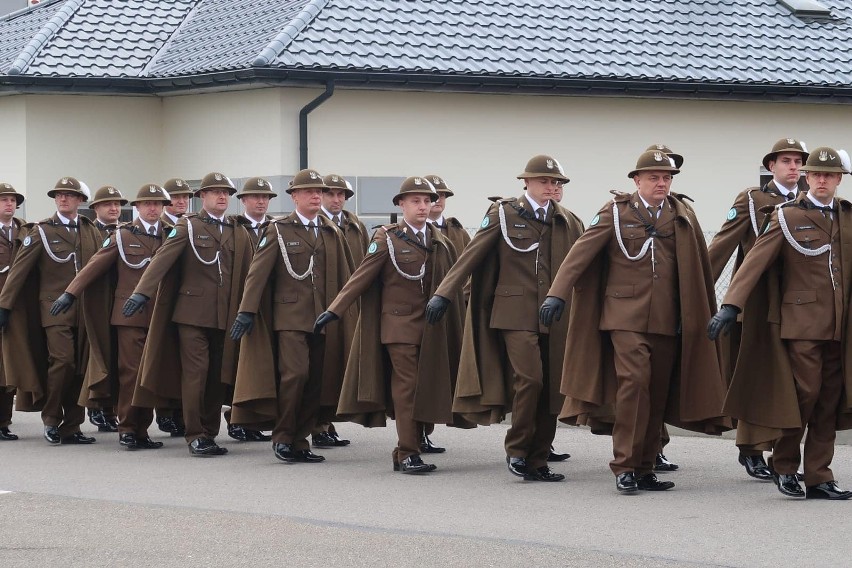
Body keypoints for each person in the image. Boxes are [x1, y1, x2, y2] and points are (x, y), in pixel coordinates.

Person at [539, 150, 730, 493]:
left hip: (667, 319)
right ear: (636, 180)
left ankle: (644, 467)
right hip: (622, 317)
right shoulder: (615, 212)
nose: (661, 183)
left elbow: (696, 267)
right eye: (654, 177)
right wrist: (557, 293)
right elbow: (580, 253)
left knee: (655, 393)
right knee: (634, 384)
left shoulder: (681, 215)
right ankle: (624, 465)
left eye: (667, 178)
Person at [426, 155, 584, 482]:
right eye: (545, 181)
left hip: (554, 315)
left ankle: (538, 459)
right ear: (526, 182)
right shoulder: (503, 213)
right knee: (531, 379)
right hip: (514, 313)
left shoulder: (567, 220)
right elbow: (473, 254)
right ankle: (517, 448)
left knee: (552, 385)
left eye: (557, 183)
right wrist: (444, 293)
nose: (552, 188)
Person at [708, 147, 852, 500]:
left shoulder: (847, 216)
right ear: (807, 177)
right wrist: (730, 305)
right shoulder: (786, 216)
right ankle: (785, 464)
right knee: (805, 394)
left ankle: (819, 476)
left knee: (829, 401)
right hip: (800, 323)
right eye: (816, 174)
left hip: (840, 325)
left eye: (829, 175)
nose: (822, 180)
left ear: (838, 180)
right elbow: (754, 262)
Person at [314, 176, 466, 474]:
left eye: (427, 201)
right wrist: (335, 310)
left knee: (423, 386)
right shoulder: (387, 239)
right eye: (415, 201)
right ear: (400, 204)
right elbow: (361, 277)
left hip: (431, 327)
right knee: (407, 388)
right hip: (397, 328)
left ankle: (407, 448)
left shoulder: (439, 240)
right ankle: (409, 451)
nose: (423, 207)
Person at [123, 172, 253, 457]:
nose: (222, 197)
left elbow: (249, 273)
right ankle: (194, 434)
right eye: (215, 192)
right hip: (191, 315)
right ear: (202, 197)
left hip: (226, 315)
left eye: (226, 192)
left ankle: (209, 432)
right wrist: (141, 292)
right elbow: (161, 260)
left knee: (218, 376)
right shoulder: (187, 227)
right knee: (196, 373)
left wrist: (250, 309)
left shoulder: (237, 231)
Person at [230, 169, 355, 464]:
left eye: (319, 191)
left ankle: (301, 440)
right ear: (294, 196)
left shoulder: (330, 231)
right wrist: (247, 311)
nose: (316, 195)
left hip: (323, 317)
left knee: (316, 380)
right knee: (295, 375)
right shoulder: (279, 229)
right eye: (309, 191)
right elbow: (257, 274)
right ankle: (283, 436)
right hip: (289, 316)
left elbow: (345, 276)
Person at [707, 138, 808, 482]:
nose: (794, 167)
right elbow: (724, 243)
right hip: (759, 298)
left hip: (798, 300)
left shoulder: (810, 201)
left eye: (798, 161)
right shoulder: (753, 200)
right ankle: (750, 447)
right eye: (786, 161)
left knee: (793, 378)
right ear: (771, 166)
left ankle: (782, 449)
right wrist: (696, 292)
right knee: (759, 372)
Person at [51, 184, 173, 450]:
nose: (153, 208)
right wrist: (70, 293)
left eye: (158, 204)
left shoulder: (172, 235)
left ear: (164, 208)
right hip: (128, 316)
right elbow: (94, 266)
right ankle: (127, 428)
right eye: (147, 204)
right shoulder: (122, 235)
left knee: (150, 375)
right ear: (137, 208)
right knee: (130, 374)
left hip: (160, 317)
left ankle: (143, 430)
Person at [0, 176, 101, 445]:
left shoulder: (90, 230)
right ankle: (52, 418)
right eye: (59, 195)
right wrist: (5, 306)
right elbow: (18, 272)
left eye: (69, 195)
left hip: (86, 310)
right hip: (53, 309)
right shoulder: (42, 231)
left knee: (81, 367)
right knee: (63, 361)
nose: (63, 198)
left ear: (80, 200)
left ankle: (73, 425)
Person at [309, 173, 370, 449]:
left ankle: (328, 422)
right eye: (331, 194)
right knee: (320, 368)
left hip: (350, 307)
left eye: (341, 195)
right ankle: (317, 425)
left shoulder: (355, 225)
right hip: (321, 307)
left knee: (339, 367)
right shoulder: (314, 224)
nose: (336, 199)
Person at [224, 176, 277, 443]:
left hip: (268, 307)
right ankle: (237, 418)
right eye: (255, 197)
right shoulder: (234, 228)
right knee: (237, 364)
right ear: (243, 201)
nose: (261, 201)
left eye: (265, 197)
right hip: (238, 304)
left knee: (260, 366)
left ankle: (252, 419)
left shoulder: (277, 228)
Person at [83, 185, 128, 433]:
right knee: (98, 353)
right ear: (95, 208)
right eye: (107, 204)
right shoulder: (89, 232)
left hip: (121, 300)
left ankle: (111, 410)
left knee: (118, 356)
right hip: (96, 300)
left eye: (117, 204)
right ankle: (96, 406)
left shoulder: (127, 231)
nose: (113, 208)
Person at [154, 177, 192, 438]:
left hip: (185, 302)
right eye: (176, 198)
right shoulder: (160, 227)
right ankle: (165, 413)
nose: (181, 201)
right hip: (160, 302)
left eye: (185, 197)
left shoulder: (192, 225)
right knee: (163, 359)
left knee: (184, 364)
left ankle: (180, 414)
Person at [0, 183, 26, 441]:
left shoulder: (24, 230)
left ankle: (3, 421)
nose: (9, 204)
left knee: (8, 366)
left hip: (16, 307)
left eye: (12, 200)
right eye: (4, 199)